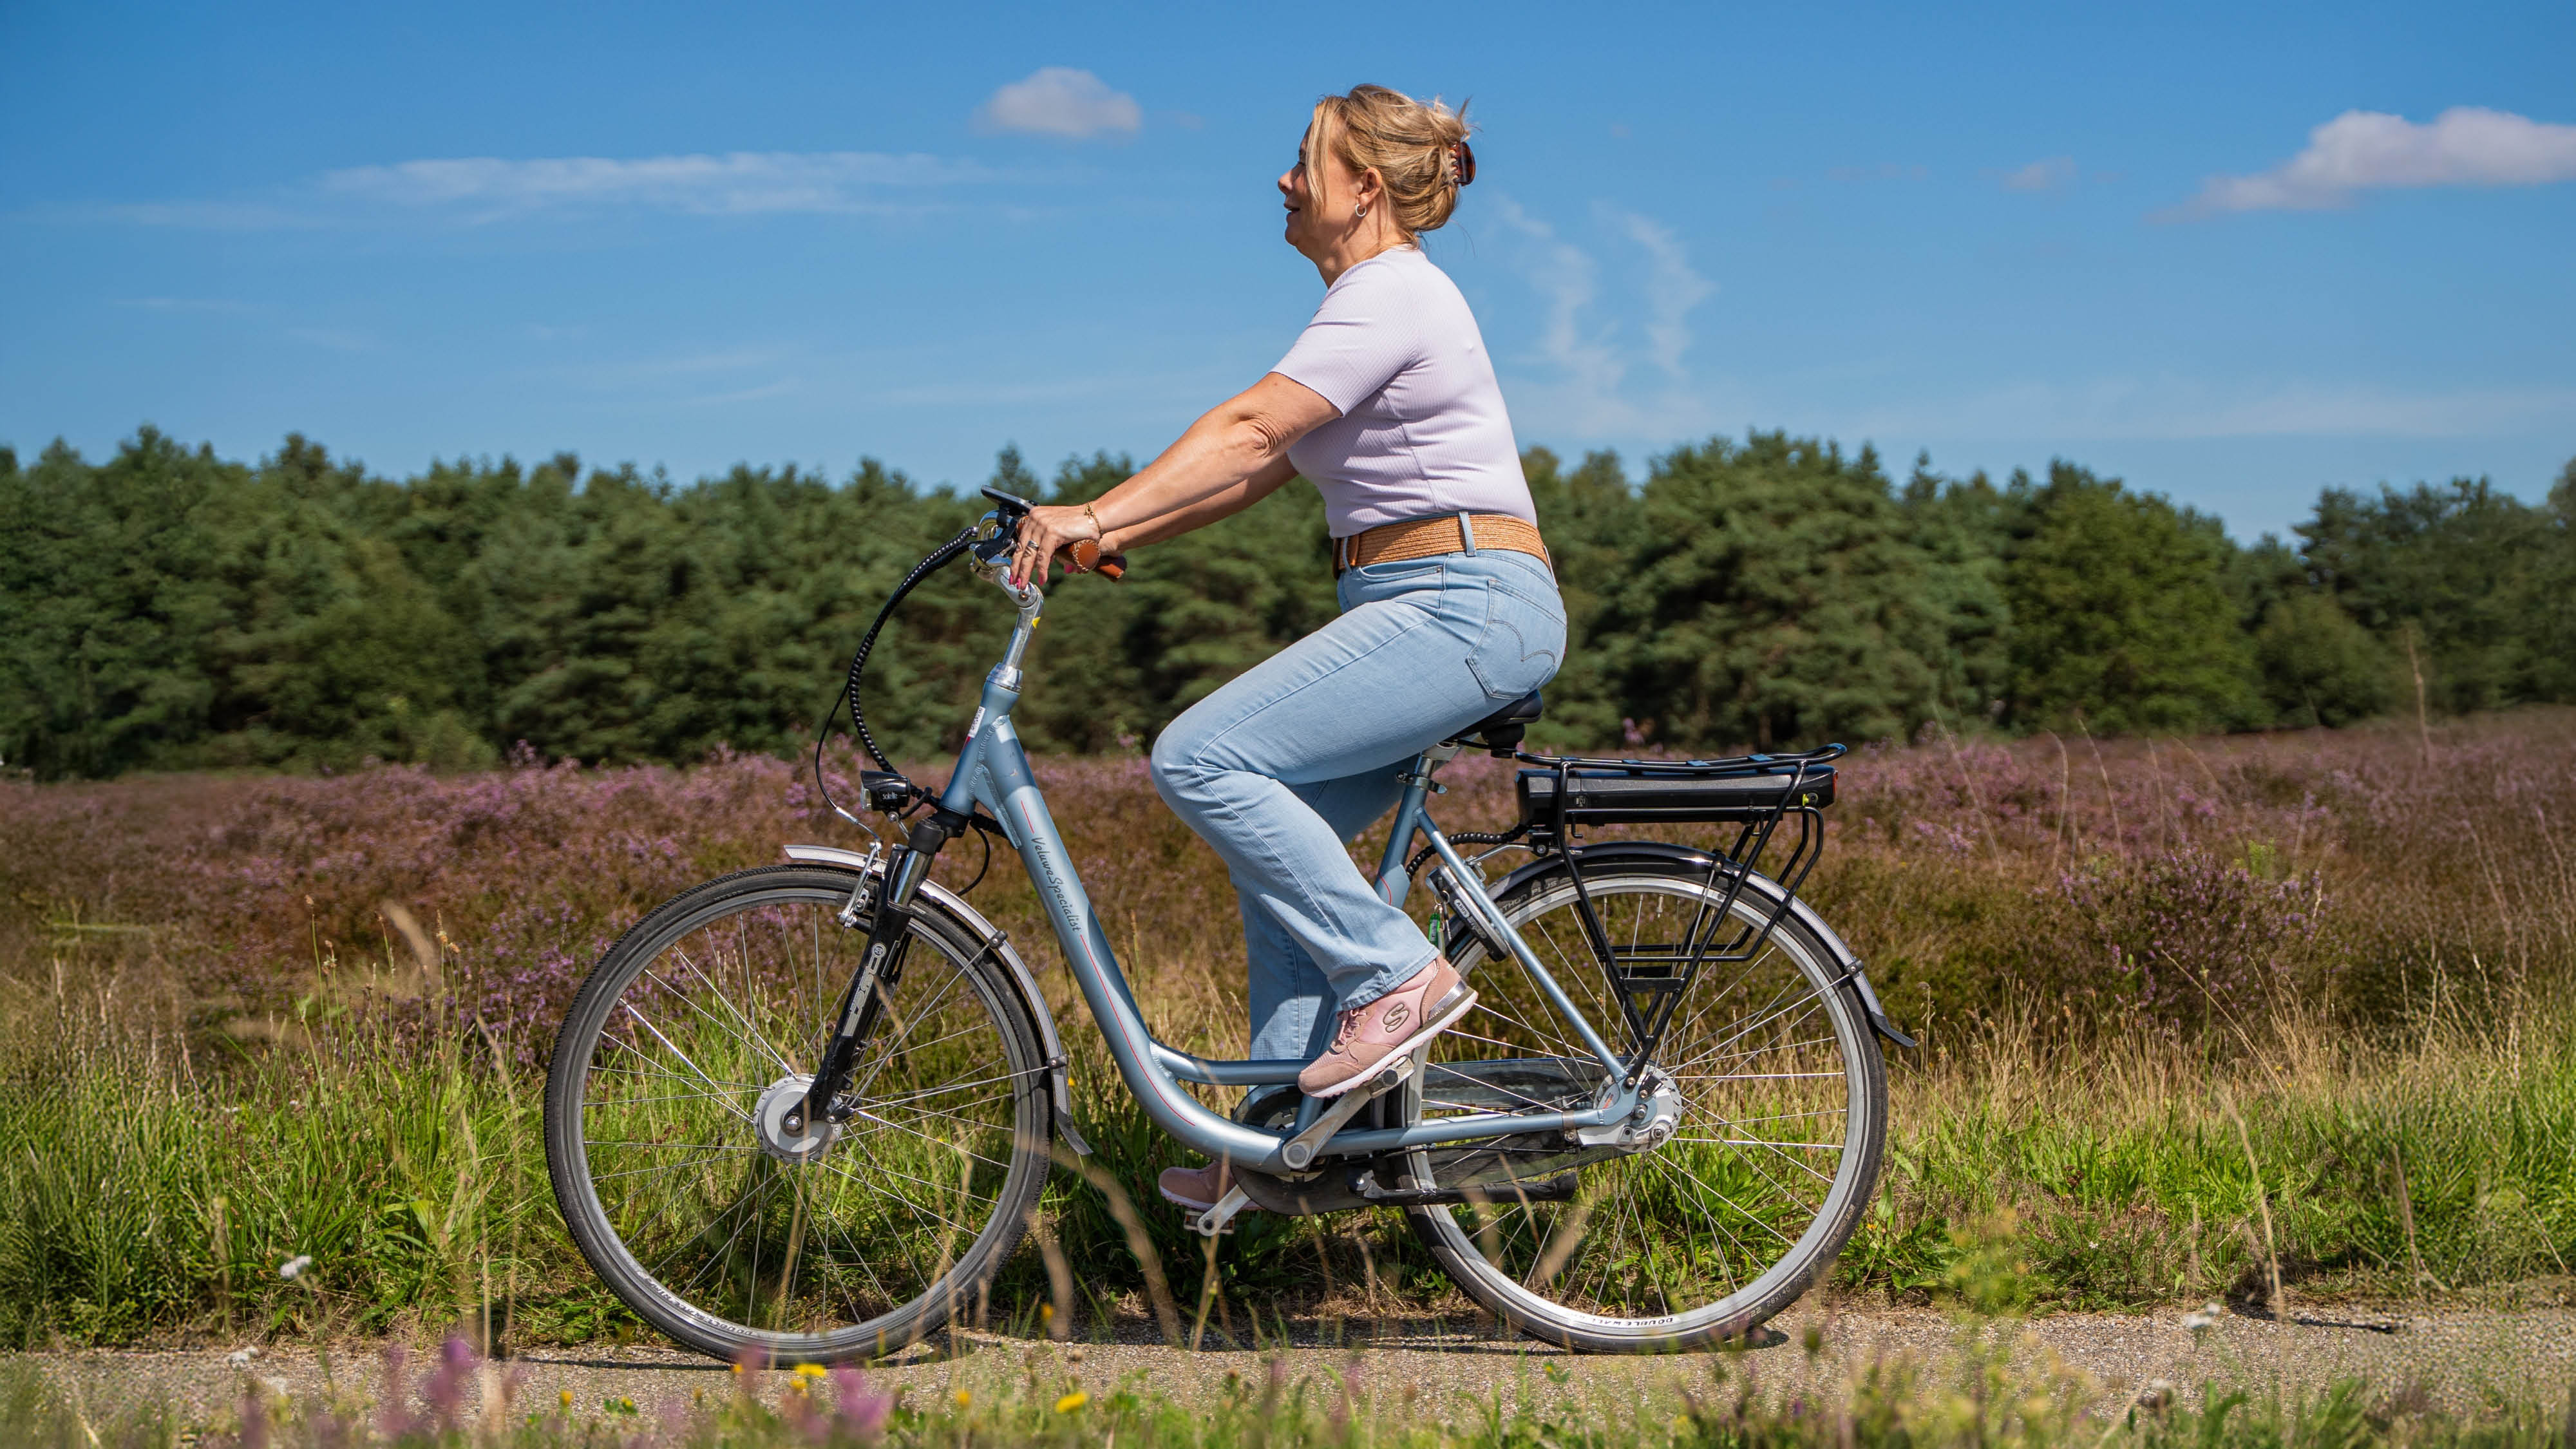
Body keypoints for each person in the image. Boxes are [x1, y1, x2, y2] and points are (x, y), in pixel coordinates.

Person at [1003, 84, 1566, 1213]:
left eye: (1303, 160)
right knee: (1283, 835)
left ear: (1363, 187)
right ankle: (1294, 1137)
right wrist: (1102, 527)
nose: (1283, 180)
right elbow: (1256, 472)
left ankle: (1396, 975)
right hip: (1430, 598)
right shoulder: (1374, 304)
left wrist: (1092, 516)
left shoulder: (1390, 292)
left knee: (1201, 758)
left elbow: (1253, 427)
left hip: (1464, 599)